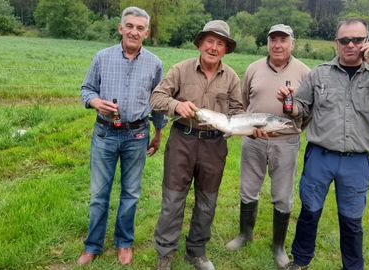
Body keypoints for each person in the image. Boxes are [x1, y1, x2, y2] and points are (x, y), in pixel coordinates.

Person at [276, 18, 369, 270]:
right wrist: (289, 104)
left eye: (357, 39)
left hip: (356, 162)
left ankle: (352, 266)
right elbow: (301, 107)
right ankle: (301, 261)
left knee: (351, 220)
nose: (351, 45)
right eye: (345, 40)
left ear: (367, 42)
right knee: (309, 213)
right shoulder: (319, 73)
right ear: (336, 43)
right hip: (320, 157)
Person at [150, 20, 244, 270]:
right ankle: (166, 252)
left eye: (220, 43)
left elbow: (237, 110)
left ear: (225, 49)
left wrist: (247, 126)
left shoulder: (232, 77)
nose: (214, 47)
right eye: (210, 41)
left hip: (214, 146)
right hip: (182, 140)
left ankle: (196, 252)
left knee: (207, 201)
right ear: (200, 43)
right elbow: (156, 97)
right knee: (173, 198)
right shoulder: (180, 70)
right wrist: (176, 106)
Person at [77, 6, 167, 266]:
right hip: (105, 132)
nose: (134, 32)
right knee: (98, 194)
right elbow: (86, 88)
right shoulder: (102, 58)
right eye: (129, 26)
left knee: (131, 193)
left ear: (146, 33)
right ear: (120, 28)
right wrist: (95, 102)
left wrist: (158, 132)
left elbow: (158, 102)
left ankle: (124, 242)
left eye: (140, 28)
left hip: (137, 134)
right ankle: (92, 245)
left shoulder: (155, 64)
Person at [225, 24, 310, 269]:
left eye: (283, 40)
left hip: (285, 143)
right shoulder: (253, 69)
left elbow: (309, 111)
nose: (278, 45)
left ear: (292, 42)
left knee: (283, 195)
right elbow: (243, 103)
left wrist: (294, 131)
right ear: (268, 42)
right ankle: (244, 234)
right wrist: (250, 128)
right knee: (248, 188)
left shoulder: (304, 72)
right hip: (253, 141)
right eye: (273, 39)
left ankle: (278, 246)